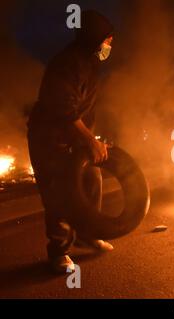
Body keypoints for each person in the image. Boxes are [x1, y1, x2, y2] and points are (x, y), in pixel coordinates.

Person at [27, 10, 115, 273]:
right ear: (94, 38)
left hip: (73, 139)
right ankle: (58, 252)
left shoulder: (90, 62)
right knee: (59, 195)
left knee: (92, 180)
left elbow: (83, 109)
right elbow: (64, 110)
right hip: (49, 140)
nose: (110, 46)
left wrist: (93, 141)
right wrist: (89, 140)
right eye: (107, 40)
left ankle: (88, 234)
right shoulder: (67, 64)